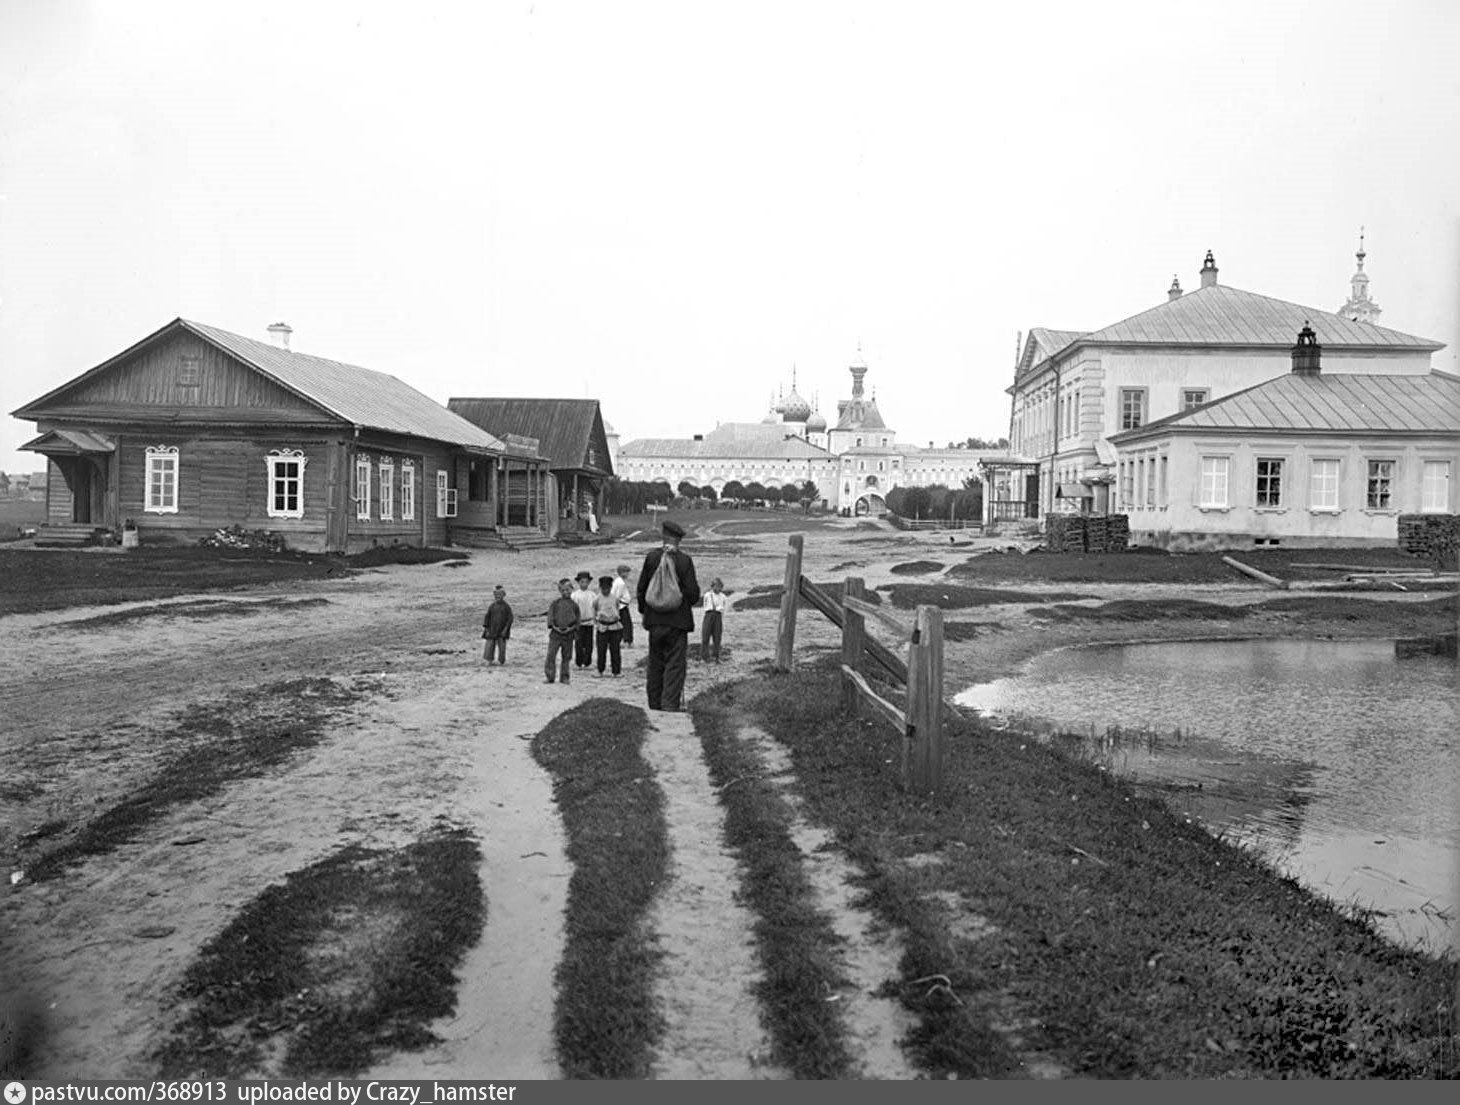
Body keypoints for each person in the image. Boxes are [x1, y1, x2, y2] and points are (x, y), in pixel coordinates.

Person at [636, 519, 700, 711]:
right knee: (675, 665)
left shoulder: (652, 558)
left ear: (663, 537)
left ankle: (654, 704)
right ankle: (670, 705)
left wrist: (645, 612)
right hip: (677, 623)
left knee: (655, 664)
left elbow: (642, 590)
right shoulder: (684, 561)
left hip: (655, 622)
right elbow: (693, 594)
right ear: (678, 540)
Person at [544, 578, 579, 684]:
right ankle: (550, 676)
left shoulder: (574, 605)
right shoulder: (555, 604)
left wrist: (571, 629)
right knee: (551, 655)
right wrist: (554, 627)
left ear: (571, 589)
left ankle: (564, 677)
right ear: (560, 591)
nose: (565, 592)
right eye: (563, 590)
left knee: (566, 657)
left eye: (567, 590)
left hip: (568, 635)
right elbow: (550, 617)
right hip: (555, 634)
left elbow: (577, 620)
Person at [593, 575, 624, 677]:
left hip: (614, 627)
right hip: (602, 626)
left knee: (615, 650)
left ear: (610, 587)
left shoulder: (615, 598)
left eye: (607, 588)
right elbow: (595, 611)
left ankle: (616, 671)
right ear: (600, 587)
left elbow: (617, 609)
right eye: (603, 588)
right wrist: (597, 623)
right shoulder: (597, 598)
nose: (605, 590)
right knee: (601, 650)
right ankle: (600, 670)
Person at [481, 584, 514, 666]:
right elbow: (487, 617)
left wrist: (506, 629)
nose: (498, 596)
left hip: (502, 630)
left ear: (503, 595)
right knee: (489, 645)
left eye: (500, 594)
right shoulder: (492, 606)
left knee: (502, 647)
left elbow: (510, 619)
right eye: (496, 595)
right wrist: (486, 628)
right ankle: (489, 660)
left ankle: (501, 660)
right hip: (492, 629)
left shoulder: (506, 607)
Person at [571, 571, 596, 669]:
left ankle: (587, 663)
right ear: (578, 582)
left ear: (589, 582)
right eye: (582, 582)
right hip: (579, 623)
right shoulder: (575, 595)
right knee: (579, 644)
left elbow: (595, 607)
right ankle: (579, 662)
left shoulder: (592, 595)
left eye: (586, 582)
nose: (584, 584)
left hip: (589, 622)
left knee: (589, 644)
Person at [700, 577, 727, 663]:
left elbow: (723, 607)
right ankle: (704, 657)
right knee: (705, 636)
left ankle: (716, 657)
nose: (718, 588)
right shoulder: (707, 595)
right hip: (709, 615)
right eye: (716, 586)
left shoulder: (723, 596)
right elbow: (705, 606)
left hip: (718, 616)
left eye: (719, 587)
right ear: (713, 586)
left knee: (717, 637)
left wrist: (719, 611)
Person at [611, 563, 635, 647]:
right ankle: (626, 640)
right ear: (622, 573)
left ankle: (624, 640)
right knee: (626, 624)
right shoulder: (620, 583)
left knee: (624, 623)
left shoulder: (618, 581)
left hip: (621, 605)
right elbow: (617, 596)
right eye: (626, 572)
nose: (628, 574)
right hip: (621, 606)